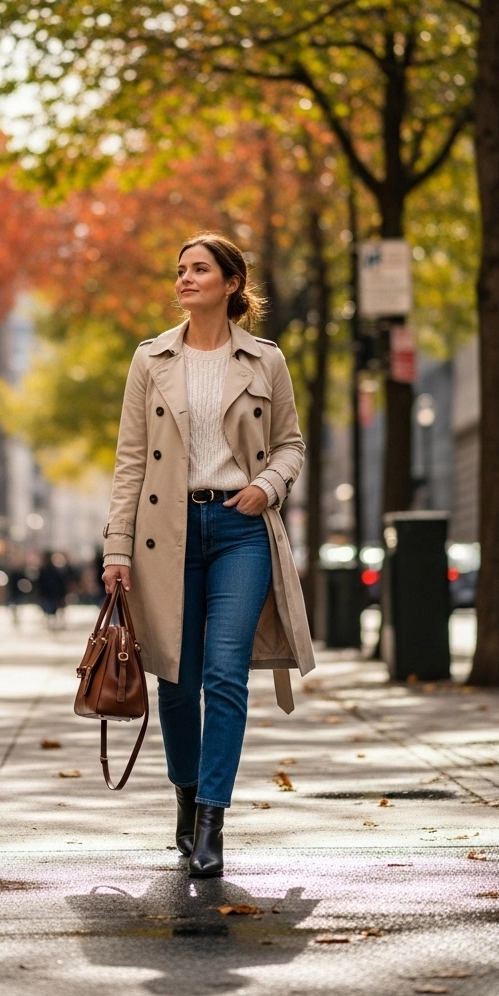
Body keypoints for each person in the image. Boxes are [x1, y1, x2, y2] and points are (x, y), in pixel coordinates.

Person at [103, 233, 314, 878]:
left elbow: (291, 446)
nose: (185, 279)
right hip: (164, 535)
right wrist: (117, 548)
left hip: (239, 528)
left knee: (225, 673)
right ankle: (187, 797)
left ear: (230, 283)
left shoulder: (264, 361)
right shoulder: (151, 360)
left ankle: (213, 819)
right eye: (180, 270)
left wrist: (265, 488)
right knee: (177, 675)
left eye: (199, 269)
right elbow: (131, 462)